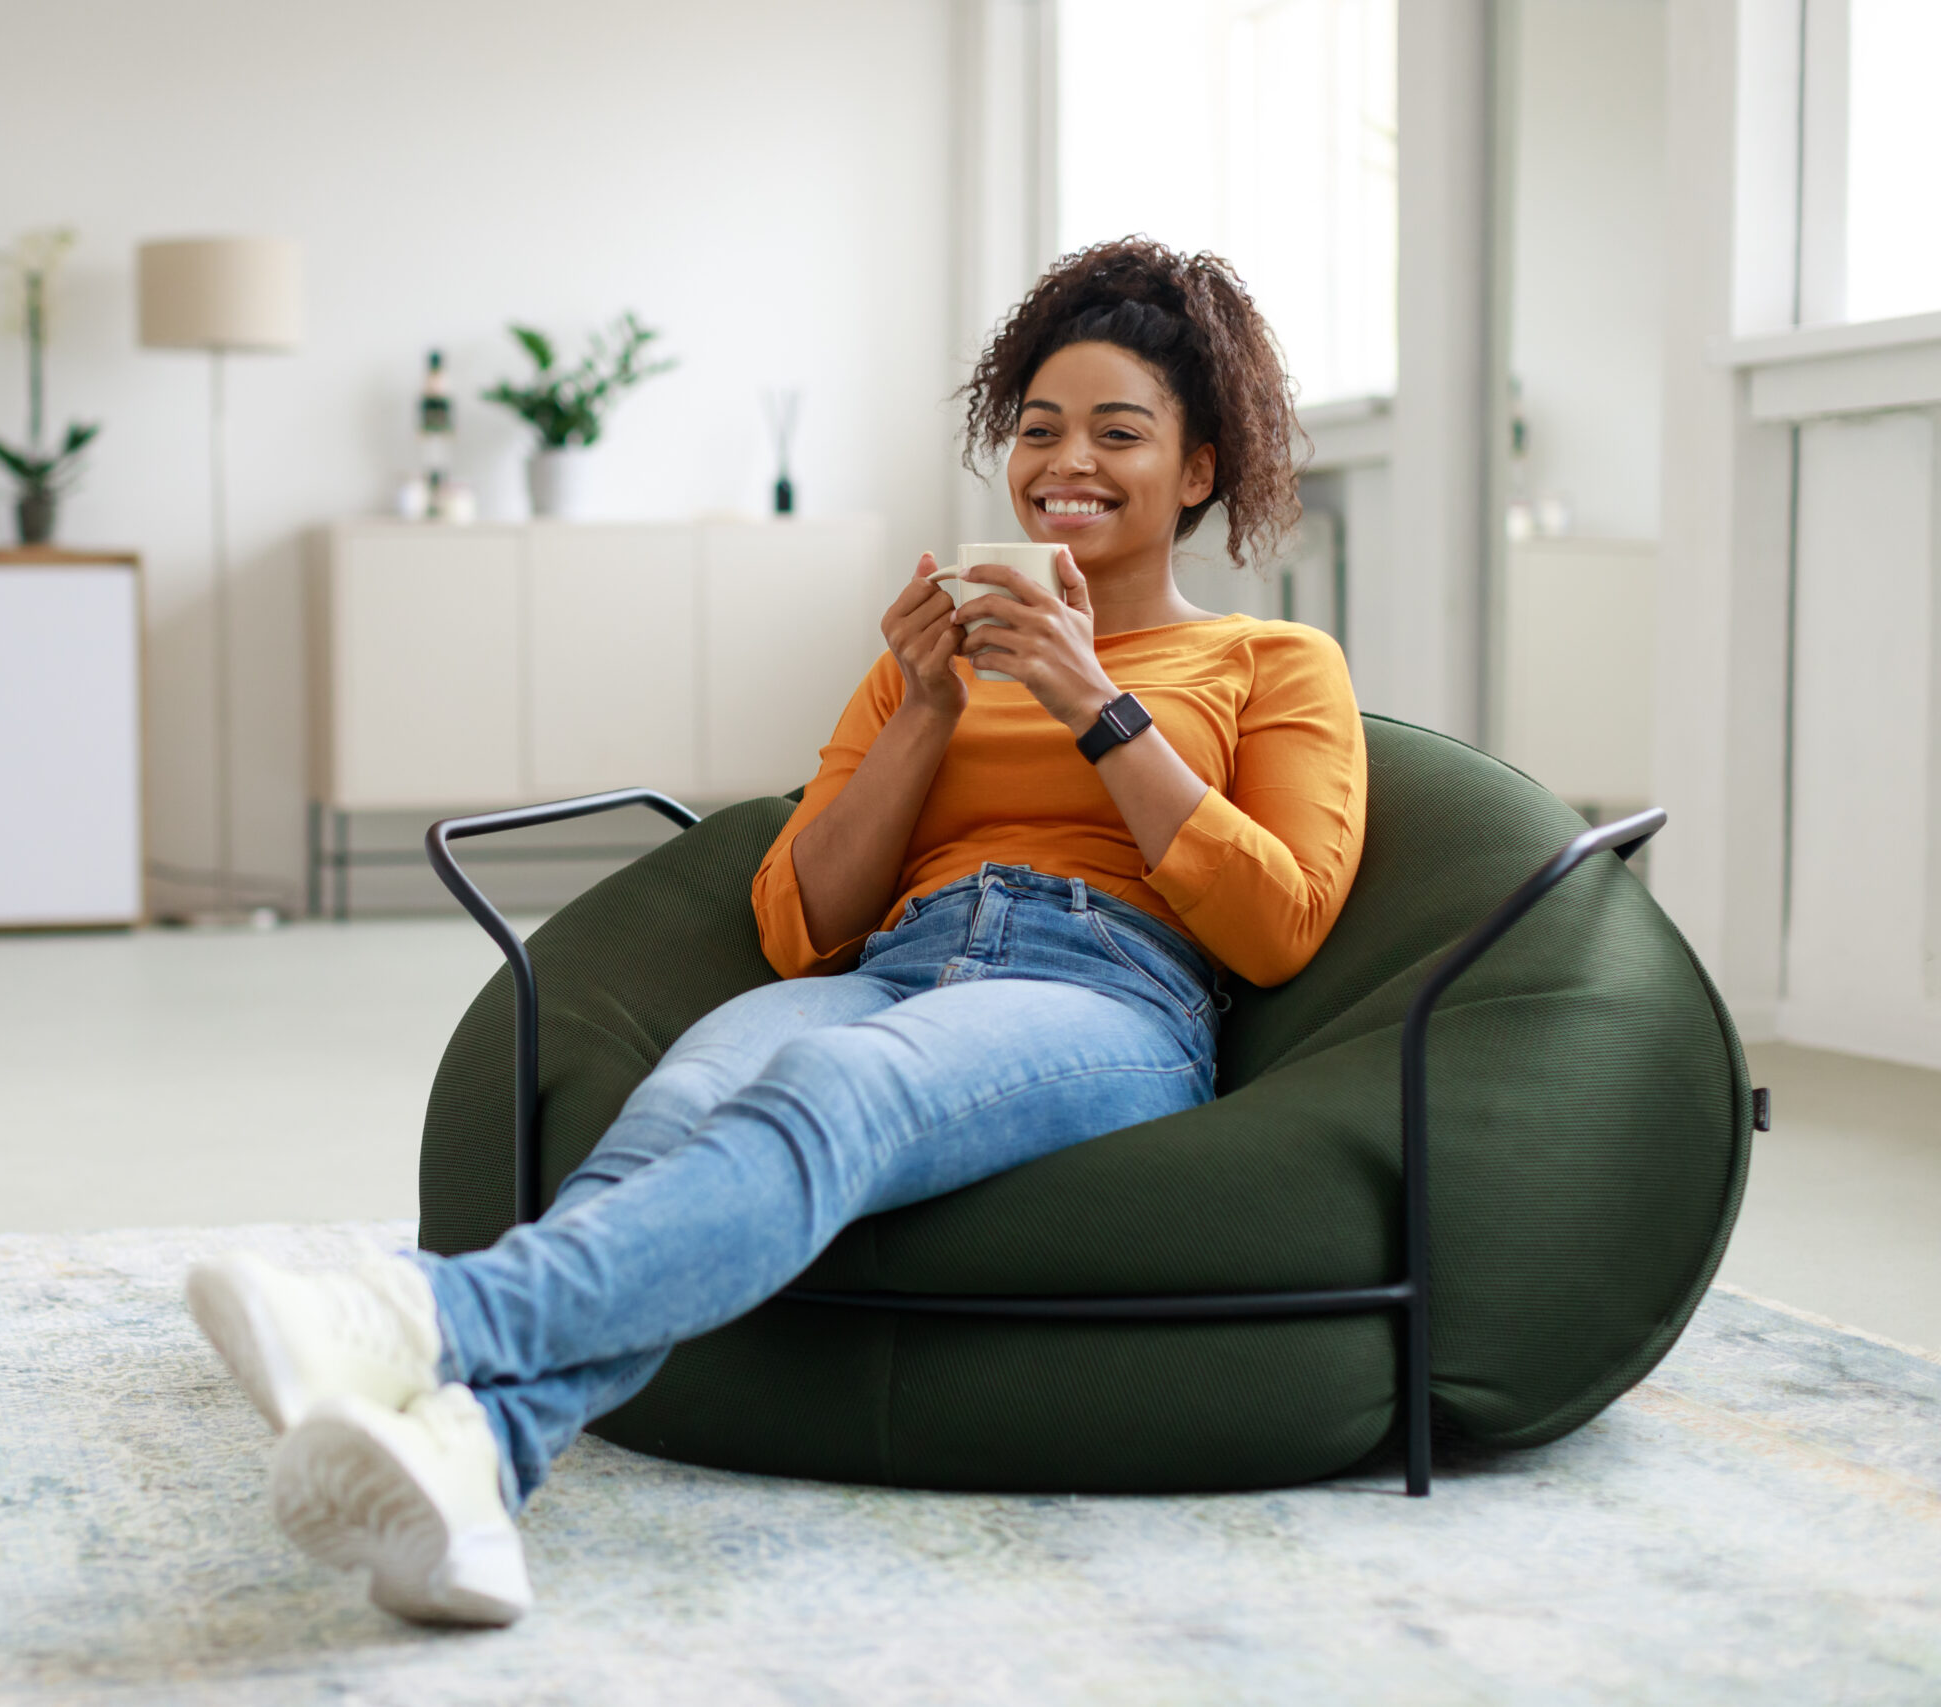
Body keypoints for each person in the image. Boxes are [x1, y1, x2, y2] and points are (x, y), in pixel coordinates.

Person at [185, 237, 1368, 1627]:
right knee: (682, 1092)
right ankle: (477, 1468)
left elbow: (1278, 924)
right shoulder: (922, 663)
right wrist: (927, 704)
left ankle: (426, 1321)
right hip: (902, 960)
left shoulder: (1273, 663)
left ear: (1202, 470)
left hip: (1109, 991)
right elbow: (803, 924)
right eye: (1039, 429)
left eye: (1121, 433)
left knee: (829, 1086)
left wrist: (1093, 702)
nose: (1069, 462)